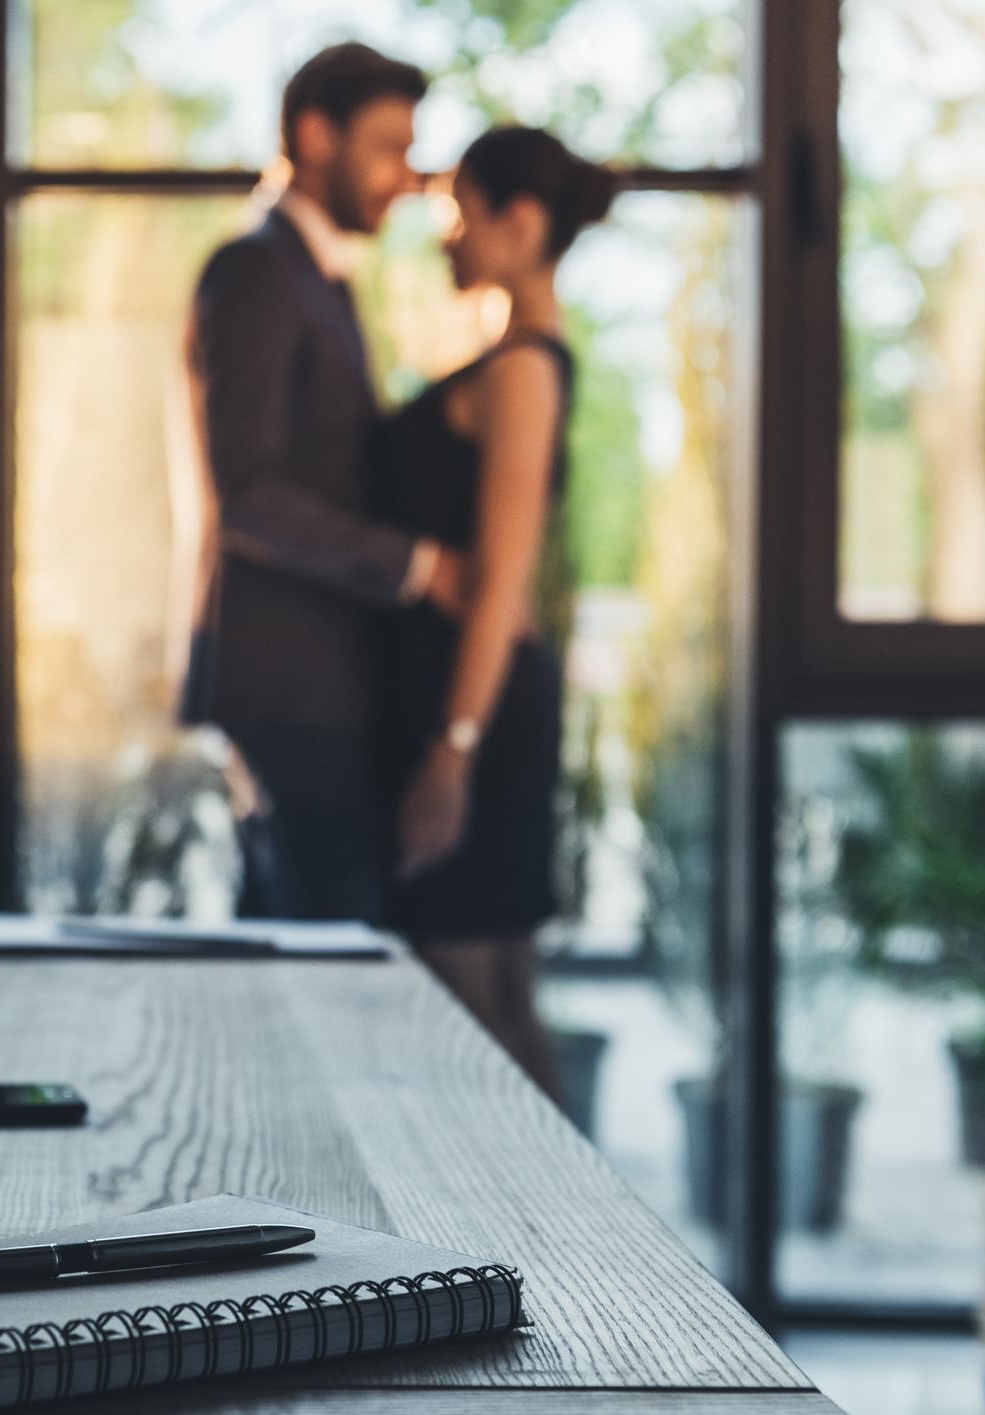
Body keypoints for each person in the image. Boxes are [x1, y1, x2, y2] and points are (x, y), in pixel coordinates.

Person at [181, 43, 465, 926]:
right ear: (315, 135)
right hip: (287, 683)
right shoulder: (258, 269)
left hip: (318, 684)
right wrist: (421, 565)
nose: (404, 176)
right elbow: (251, 495)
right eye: (388, 147)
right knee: (332, 961)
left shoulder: (320, 278)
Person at [369, 127, 615, 1098]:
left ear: (521, 222)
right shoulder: (509, 358)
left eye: (460, 214)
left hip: (473, 706)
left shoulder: (521, 371)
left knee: (472, 1006)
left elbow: (499, 580)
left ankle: (549, 1244)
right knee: (499, 998)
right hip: (476, 702)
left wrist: (450, 751)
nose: (446, 238)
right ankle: (561, 1244)